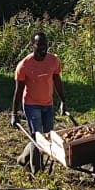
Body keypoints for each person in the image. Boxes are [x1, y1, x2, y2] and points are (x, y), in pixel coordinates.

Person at [10, 31, 64, 169]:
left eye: (45, 45)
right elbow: (18, 91)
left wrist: (63, 101)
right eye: (39, 45)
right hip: (31, 105)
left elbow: (57, 81)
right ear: (32, 45)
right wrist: (14, 114)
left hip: (48, 104)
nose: (43, 48)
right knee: (37, 138)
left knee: (46, 137)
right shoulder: (24, 65)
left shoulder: (53, 61)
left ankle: (23, 159)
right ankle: (37, 171)